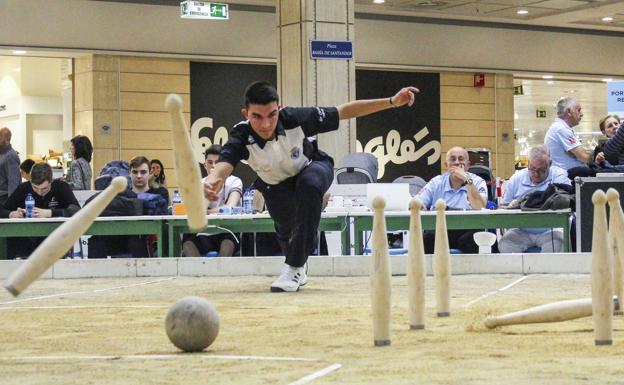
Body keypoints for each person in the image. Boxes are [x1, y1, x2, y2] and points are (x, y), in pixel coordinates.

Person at [204, 81, 419, 292]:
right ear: (246, 114)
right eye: (257, 117)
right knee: (286, 229)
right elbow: (225, 162)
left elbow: (343, 111)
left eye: (272, 115)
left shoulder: (296, 118)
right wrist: (214, 179)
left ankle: (295, 266)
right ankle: (298, 265)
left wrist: (392, 101)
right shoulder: (241, 135)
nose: (266, 124)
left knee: (310, 185)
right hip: (276, 187)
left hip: (313, 168)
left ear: (279, 109)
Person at [416, 146, 490, 254]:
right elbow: (416, 202)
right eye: (452, 159)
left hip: (468, 229)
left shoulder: (478, 182)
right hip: (440, 229)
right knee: (427, 239)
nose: (456, 163)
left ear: (468, 165)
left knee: (473, 239)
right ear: (446, 165)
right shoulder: (436, 182)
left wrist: (467, 179)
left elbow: (479, 206)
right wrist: (420, 205)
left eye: (461, 159)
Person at [498, 146, 570, 253]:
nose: (536, 174)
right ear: (527, 164)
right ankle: (519, 270)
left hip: (550, 229)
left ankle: (543, 270)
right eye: (532, 169)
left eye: (541, 170)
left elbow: (565, 200)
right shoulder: (516, 179)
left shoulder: (559, 175)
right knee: (505, 244)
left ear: (549, 164)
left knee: (558, 244)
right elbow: (503, 206)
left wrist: (523, 203)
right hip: (521, 230)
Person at [1, 162, 80, 258]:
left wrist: (50, 213)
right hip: (26, 245)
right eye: (35, 187)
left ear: (51, 181)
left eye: (44, 189)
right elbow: (3, 210)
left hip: (55, 243)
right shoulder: (23, 188)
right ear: (30, 181)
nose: (39, 192)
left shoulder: (61, 187)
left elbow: (76, 210)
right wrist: (11, 214)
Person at [183, 145, 243, 257]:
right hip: (203, 232)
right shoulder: (198, 184)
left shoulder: (234, 181)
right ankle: (199, 274)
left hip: (226, 231)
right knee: (187, 245)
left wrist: (208, 211)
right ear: (204, 164)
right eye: (210, 162)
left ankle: (221, 274)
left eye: (218, 162)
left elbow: (229, 208)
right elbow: (195, 211)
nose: (214, 166)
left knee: (227, 245)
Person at [544, 97, 590, 170]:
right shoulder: (561, 129)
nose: (582, 114)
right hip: (568, 177)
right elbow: (585, 157)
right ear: (569, 111)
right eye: (578, 110)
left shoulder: (559, 128)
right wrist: (591, 155)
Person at [0, 127, 21, 206]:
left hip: (4, 199)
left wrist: (10, 205)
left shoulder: (10, 156)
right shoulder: (2, 153)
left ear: (6, 139)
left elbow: (14, 182)